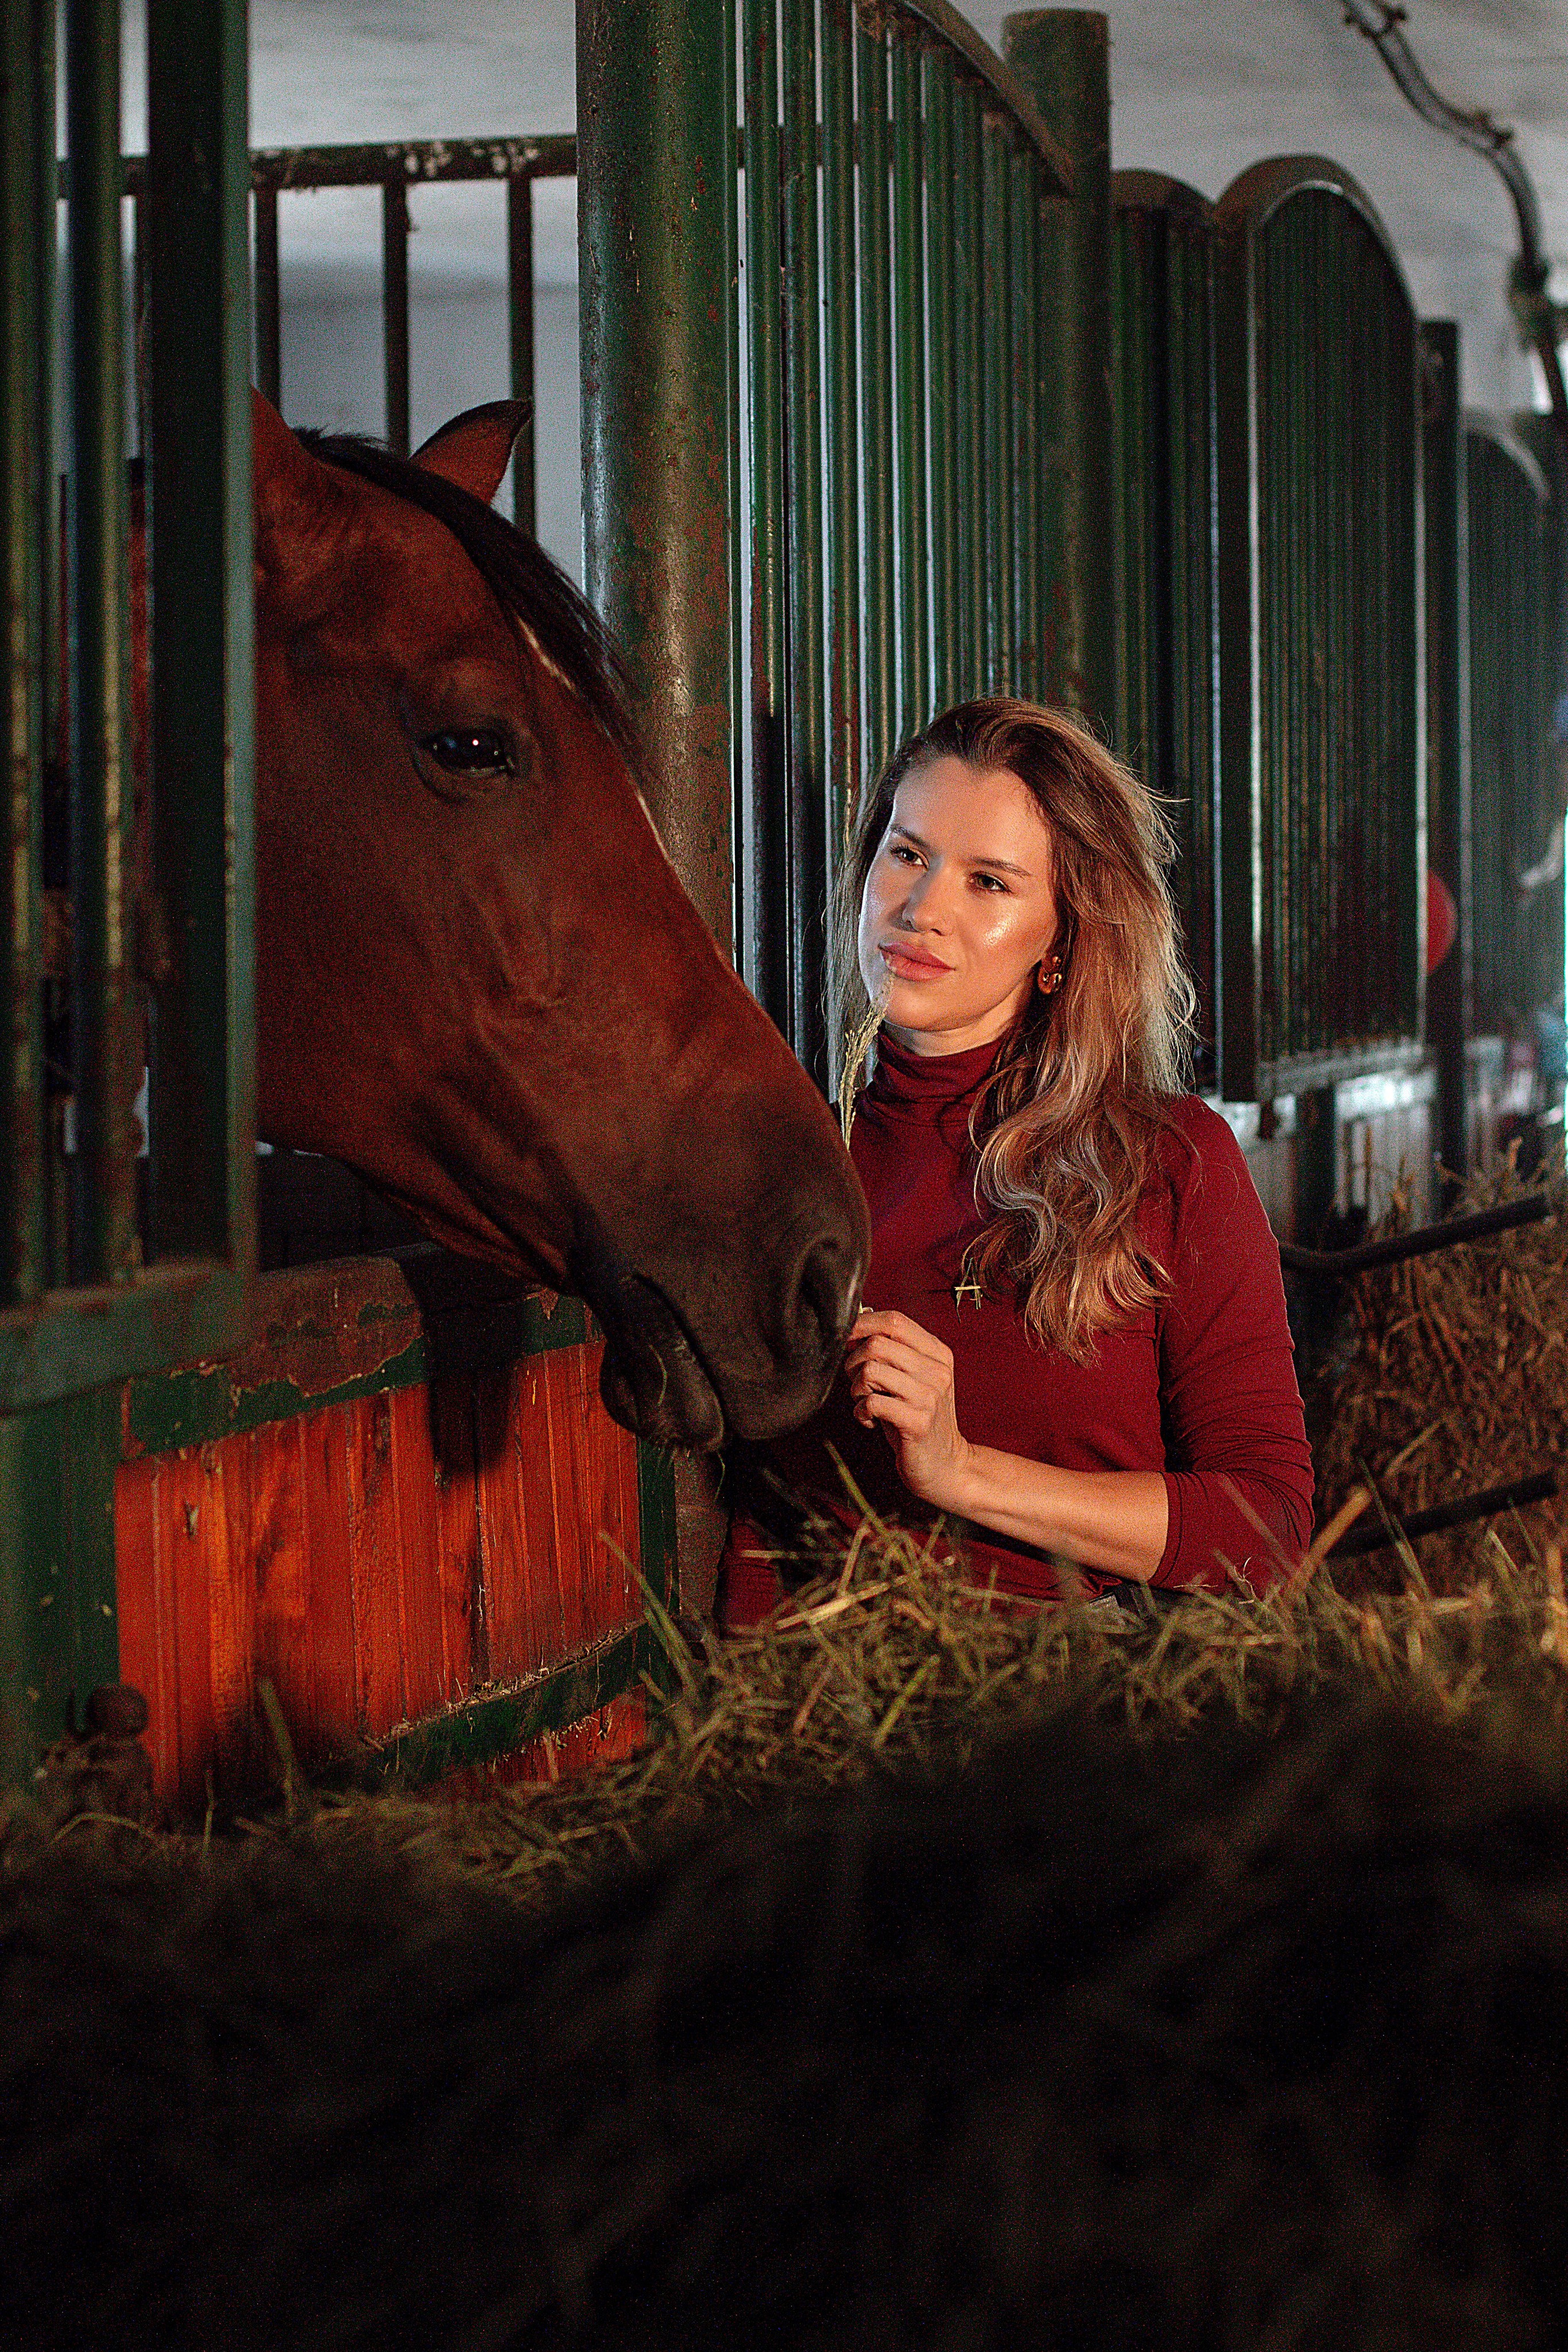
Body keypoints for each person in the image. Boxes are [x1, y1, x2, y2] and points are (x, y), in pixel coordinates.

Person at [719, 698, 1314, 1624]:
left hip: (1073, 1706)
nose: (920, 910)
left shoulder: (1167, 1160)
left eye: (989, 883)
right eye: (907, 854)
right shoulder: (785, 1159)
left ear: (1062, 942)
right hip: (820, 1703)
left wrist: (960, 1472)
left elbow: (1265, 1526)